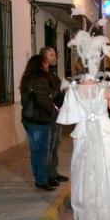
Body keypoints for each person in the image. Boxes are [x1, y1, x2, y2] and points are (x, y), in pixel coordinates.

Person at [57, 30, 110, 220]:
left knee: (84, 174)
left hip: (83, 135)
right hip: (104, 133)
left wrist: (87, 119)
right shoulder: (105, 87)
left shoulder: (72, 90)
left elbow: (69, 118)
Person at [20, 55, 59, 191]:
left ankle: (40, 178)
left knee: (35, 151)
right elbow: (42, 100)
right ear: (40, 64)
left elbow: (25, 100)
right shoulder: (41, 79)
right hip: (40, 119)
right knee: (42, 151)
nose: (46, 64)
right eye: (45, 62)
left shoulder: (26, 78)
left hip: (28, 119)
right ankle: (42, 180)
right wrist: (53, 111)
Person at [39, 46, 69, 184]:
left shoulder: (52, 74)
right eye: (51, 55)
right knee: (48, 146)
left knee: (55, 144)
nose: (54, 57)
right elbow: (42, 96)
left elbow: (57, 93)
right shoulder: (39, 74)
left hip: (55, 114)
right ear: (44, 57)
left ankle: (53, 172)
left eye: (54, 55)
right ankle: (46, 176)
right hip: (47, 116)